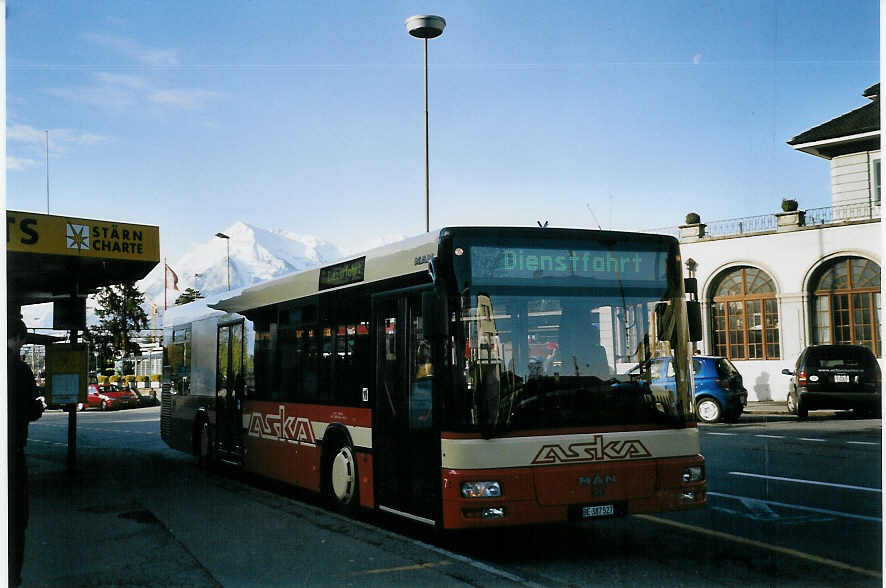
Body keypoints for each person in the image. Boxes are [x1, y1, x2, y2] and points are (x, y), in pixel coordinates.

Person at [7, 313, 44, 586]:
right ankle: (12, 577)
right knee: (16, 522)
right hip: (12, 456)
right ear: (18, 338)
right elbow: (31, 410)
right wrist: (39, 404)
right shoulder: (18, 369)